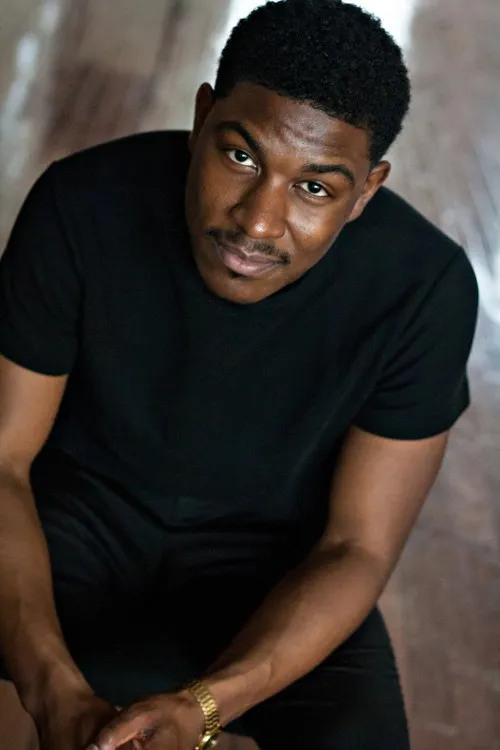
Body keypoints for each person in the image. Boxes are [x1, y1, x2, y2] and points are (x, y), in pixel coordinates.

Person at [0, 1, 478, 749]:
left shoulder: (424, 289)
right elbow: (3, 465)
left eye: (315, 188)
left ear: (366, 192)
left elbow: (358, 547)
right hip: (70, 522)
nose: (257, 222)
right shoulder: (81, 203)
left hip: (271, 563)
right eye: (242, 156)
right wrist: (53, 691)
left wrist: (205, 706)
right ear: (202, 120)